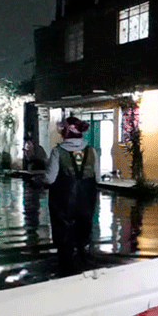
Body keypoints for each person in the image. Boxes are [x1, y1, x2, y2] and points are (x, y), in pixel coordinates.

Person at [44, 116, 99, 273]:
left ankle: (66, 271)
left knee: (64, 238)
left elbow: (49, 178)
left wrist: (38, 181)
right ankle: (85, 265)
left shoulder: (58, 152)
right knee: (83, 235)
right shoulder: (92, 151)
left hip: (63, 201)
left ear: (66, 132)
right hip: (87, 201)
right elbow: (98, 177)